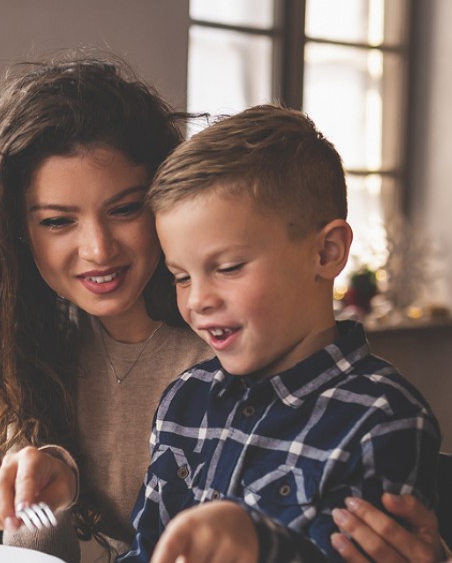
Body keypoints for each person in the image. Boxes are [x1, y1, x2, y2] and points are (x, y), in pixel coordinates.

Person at [0, 54, 213, 562]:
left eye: (124, 209)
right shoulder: (37, 352)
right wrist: (40, 506)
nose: (98, 248)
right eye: (57, 222)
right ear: (14, 232)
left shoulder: (226, 348)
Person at [122, 104, 441, 561]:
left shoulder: (382, 418)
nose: (197, 301)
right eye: (181, 276)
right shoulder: (183, 401)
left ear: (327, 252)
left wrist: (256, 543)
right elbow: (141, 551)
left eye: (228, 267)